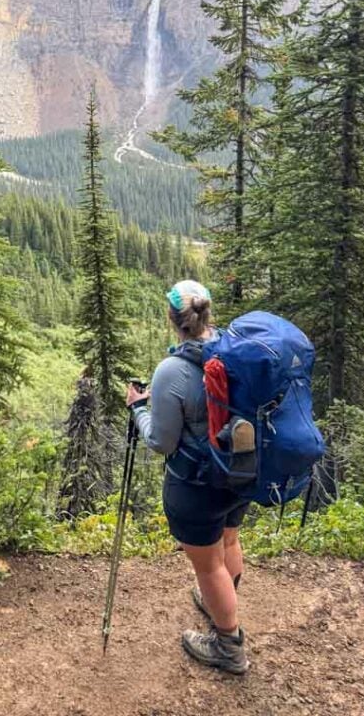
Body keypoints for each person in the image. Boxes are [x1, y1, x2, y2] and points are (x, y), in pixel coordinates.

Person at [125, 279, 250, 675]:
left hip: (196, 484)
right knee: (229, 537)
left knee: (207, 565)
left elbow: (161, 442)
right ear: (207, 313)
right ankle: (223, 596)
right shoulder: (234, 350)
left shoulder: (172, 371)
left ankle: (229, 646)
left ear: (172, 320)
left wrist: (138, 409)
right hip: (239, 471)